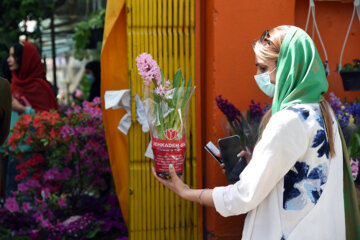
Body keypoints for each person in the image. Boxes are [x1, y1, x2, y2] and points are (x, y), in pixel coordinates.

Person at [153, 26, 360, 239]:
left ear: (285, 68)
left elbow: (244, 196)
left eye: (263, 68)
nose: (258, 76)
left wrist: (188, 193)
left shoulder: (287, 121)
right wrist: (257, 163)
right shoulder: (323, 112)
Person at [7, 42, 58, 113]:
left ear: (26, 59)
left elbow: (49, 117)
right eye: (9, 56)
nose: (8, 60)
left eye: (13, 56)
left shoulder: (39, 86)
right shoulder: (14, 84)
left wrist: (23, 109)